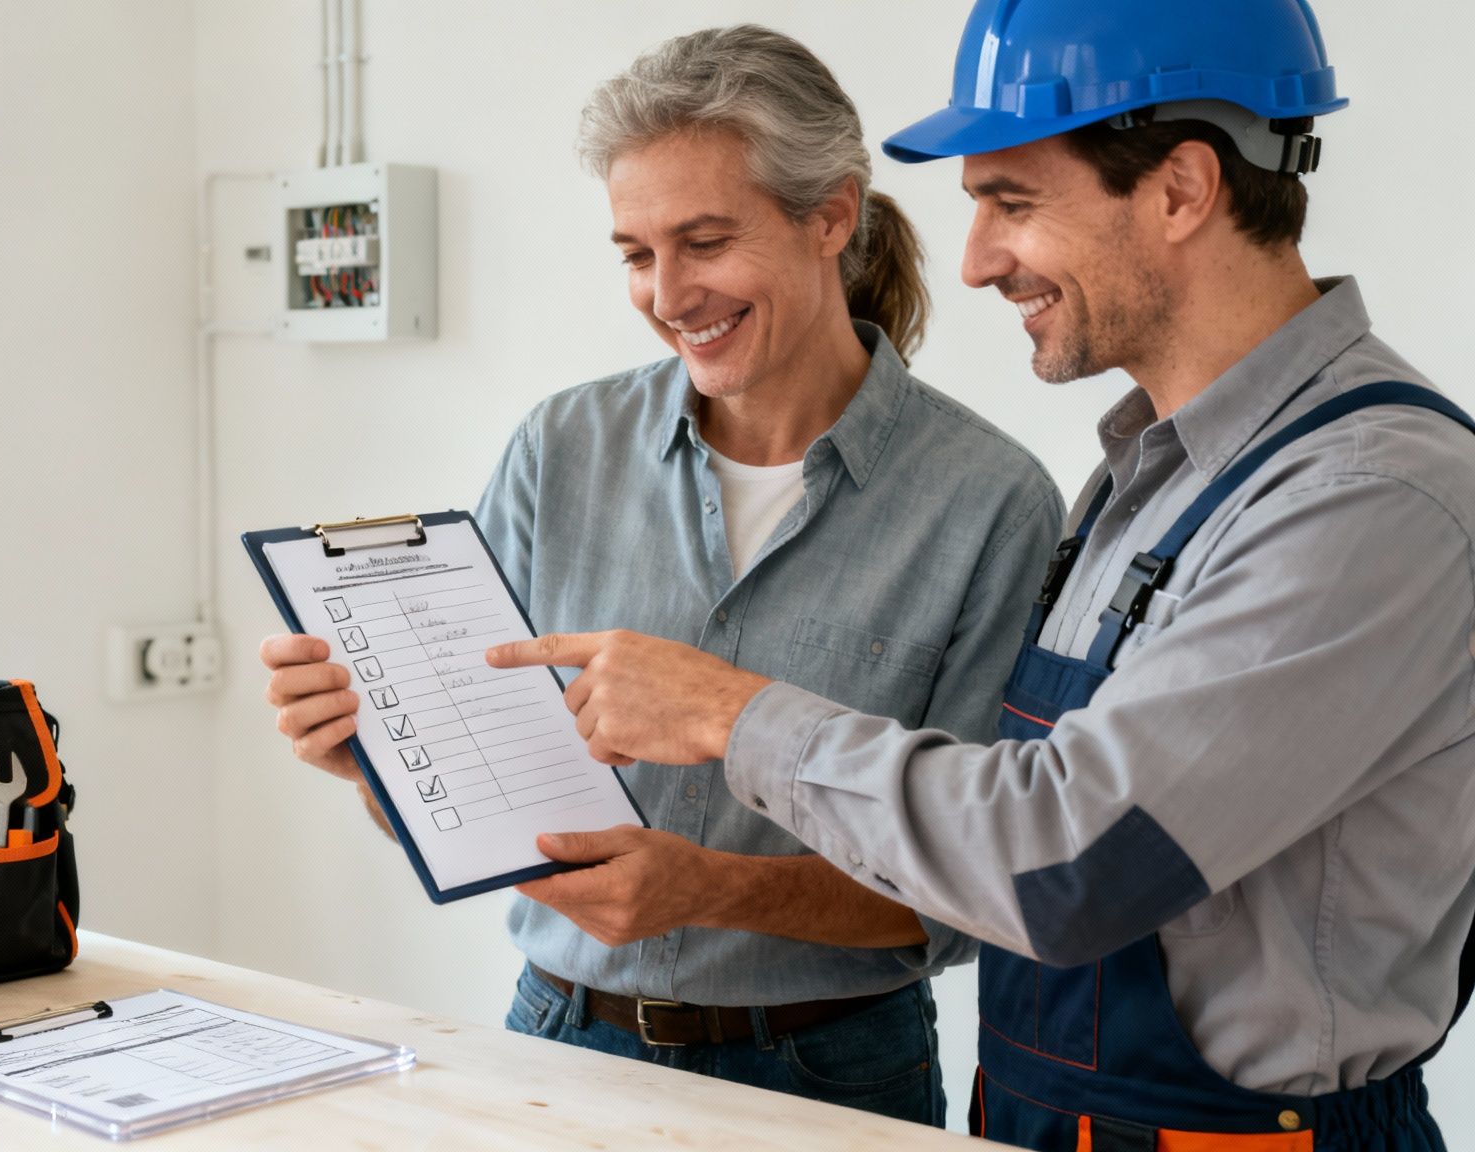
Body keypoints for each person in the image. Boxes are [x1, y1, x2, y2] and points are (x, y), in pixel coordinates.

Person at [487, 2, 1475, 1149]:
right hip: (1037, 1114)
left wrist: (730, 715)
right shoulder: (1143, 479)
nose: (971, 261)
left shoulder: (1365, 500)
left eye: (1011, 202)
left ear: (1179, 189)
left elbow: (1064, 860)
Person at [260, 26, 1063, 1124]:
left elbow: (976, 885)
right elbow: (484, 804)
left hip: (831, 1078)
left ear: (831, 216)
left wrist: (714, 890)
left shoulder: (989, 502)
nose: (669, 293)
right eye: (637, 254)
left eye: (705, 241)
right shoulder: (560, 448)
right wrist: (376, 762)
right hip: (558, 1040)